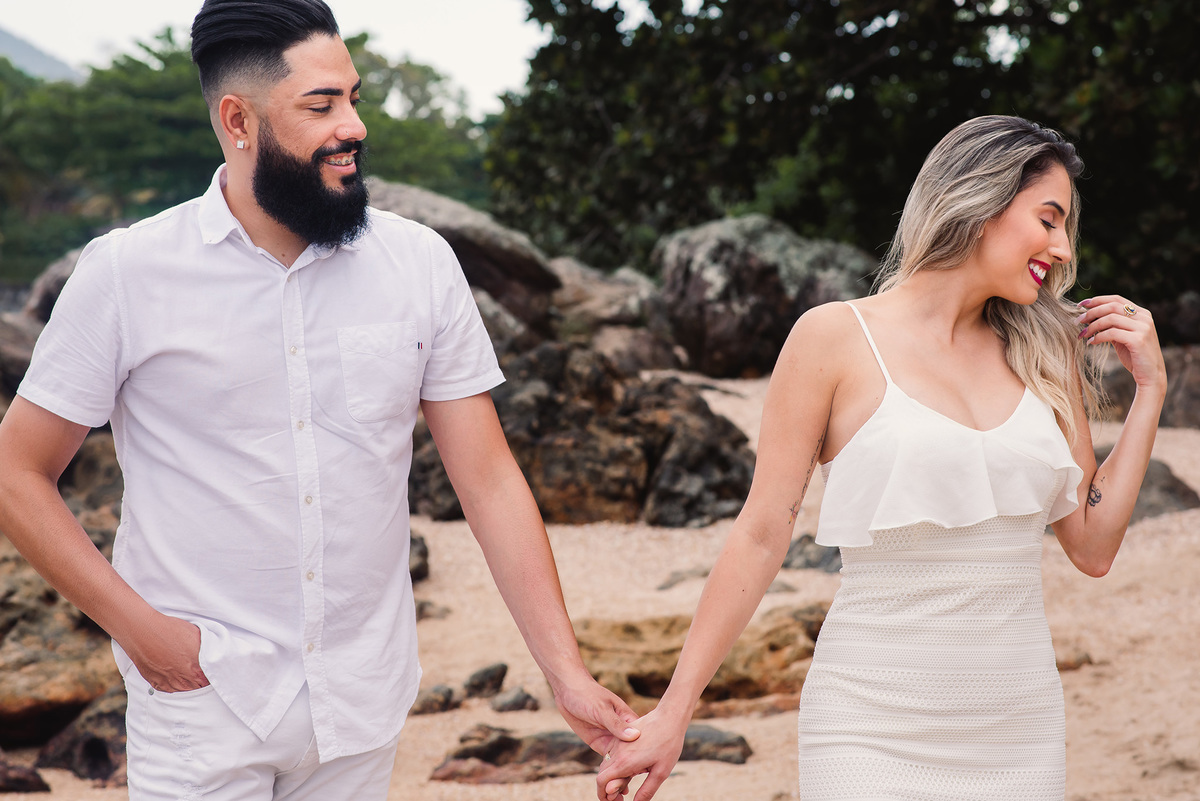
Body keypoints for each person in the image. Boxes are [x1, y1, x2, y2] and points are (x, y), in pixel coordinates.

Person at [0, 1, 640, 798]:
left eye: (354, 97)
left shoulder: (420, 264)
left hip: (363, 705)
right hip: (203, 706)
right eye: (321, 104)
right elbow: (17, 472)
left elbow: (488, 478)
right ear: (239, 120)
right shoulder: (127, 273)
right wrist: (148, 637)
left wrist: (566, 672)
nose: (354, 125)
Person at [595, 115, 1167, 800]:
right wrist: (674, 710)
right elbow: (760, 532)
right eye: (1048, 219)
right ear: (980, 199)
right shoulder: (833, 337)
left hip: (1018, 728)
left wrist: (1150, 392)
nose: (1064, 248)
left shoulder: (1046, 352)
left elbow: (1093, 547)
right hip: (868, 724)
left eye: (1066, 226)